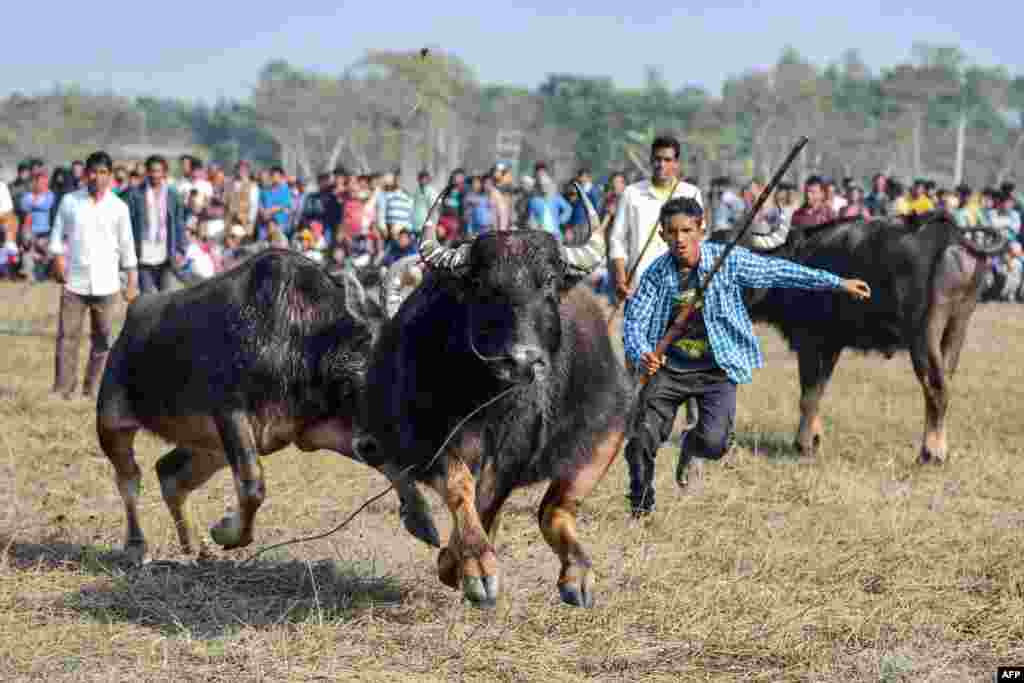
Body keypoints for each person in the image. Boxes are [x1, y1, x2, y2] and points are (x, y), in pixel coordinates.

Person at [621, 197, 871, 516]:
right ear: (662, 236)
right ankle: (641, 505)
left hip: (716, 371)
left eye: (687, 230)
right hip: (669, 370)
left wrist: (837, 283)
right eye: (672, 233)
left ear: (701, 229)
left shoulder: (728, 260)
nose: (680, 239)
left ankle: (691, 444)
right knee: (641, 437)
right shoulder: (656, 275)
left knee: (715, 444)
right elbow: (635, 322)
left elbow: (779, 271)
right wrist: (642, 351)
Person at [48, 151, 139, 400]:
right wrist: (58, 262)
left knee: (104, 341)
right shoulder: (70, 202)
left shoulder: (119, 207)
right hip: (74, 282)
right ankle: (63, 389)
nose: (97, 178)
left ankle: (94, 389)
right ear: (86, 174)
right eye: (93, 172)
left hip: (108, 283)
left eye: (102, 173)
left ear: (110, 176)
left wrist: (132, 281)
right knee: (67, 338)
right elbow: (56, 236)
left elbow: (127, 246)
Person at [608, 135, 703, 303]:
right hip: (640, 286)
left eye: (667, 160)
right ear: (651, 160)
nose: (661, 165)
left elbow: (700, 238)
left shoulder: (692, 193)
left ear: (676, 163)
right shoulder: (632, 194)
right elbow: (617, 240)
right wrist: (621, 281)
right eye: (657, 159)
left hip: (682, 287)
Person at [125, 155, 187, 294]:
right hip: (143, 253)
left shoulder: (172, 195)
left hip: (166, 252)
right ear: (147, 172)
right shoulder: (136, 194)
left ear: (164, 173)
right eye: (152, 171)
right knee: (148, 297)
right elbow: (128, 223)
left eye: (158, 171)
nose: (155, 175)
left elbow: (179, 223)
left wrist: (181, 249)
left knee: (166, 296)